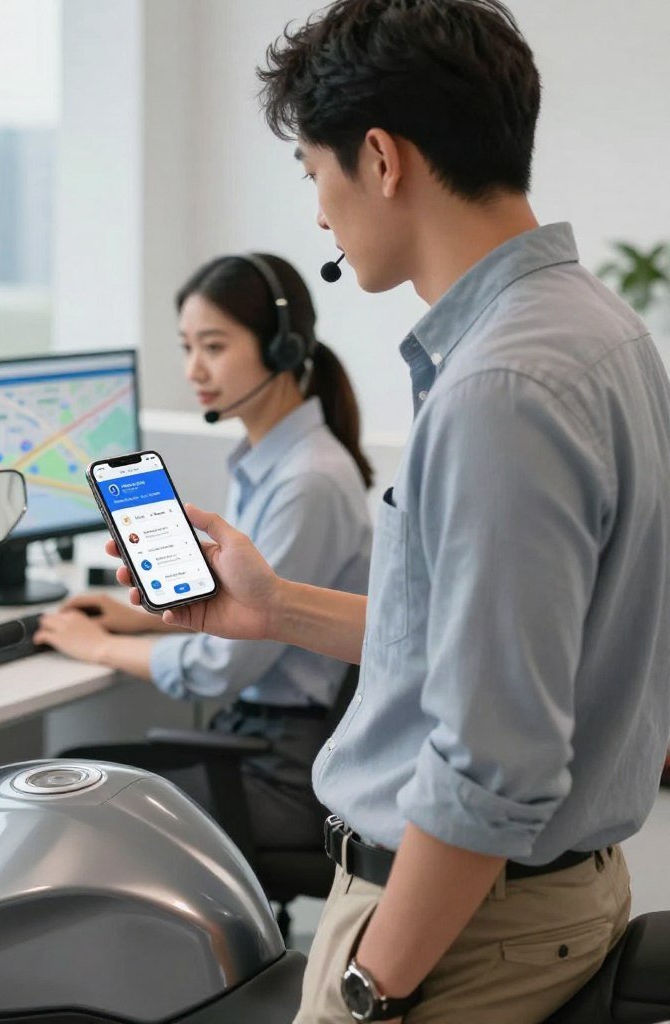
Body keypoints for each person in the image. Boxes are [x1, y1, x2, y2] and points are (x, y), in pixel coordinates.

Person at [101, 3, 670, 1022]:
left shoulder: (501, 388)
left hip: (455, 935)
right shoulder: (597, 330)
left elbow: (491, 764)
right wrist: (275, 608)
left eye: (313, 173)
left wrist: (373, 985)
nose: (321, 214)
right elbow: (484, 645)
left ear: (379, 158)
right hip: (525, 906)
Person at [34, 252, 373, 852]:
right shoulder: (268, 463)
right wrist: (142, 620)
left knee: (65, 788)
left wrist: (100, 646)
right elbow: (242, 612)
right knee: (73, 771)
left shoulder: (308, 480)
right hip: (259, 740)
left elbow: (223, 666)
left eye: (213, 346)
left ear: (282, 349)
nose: (194, 368)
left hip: (284, 770)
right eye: (187, 346)